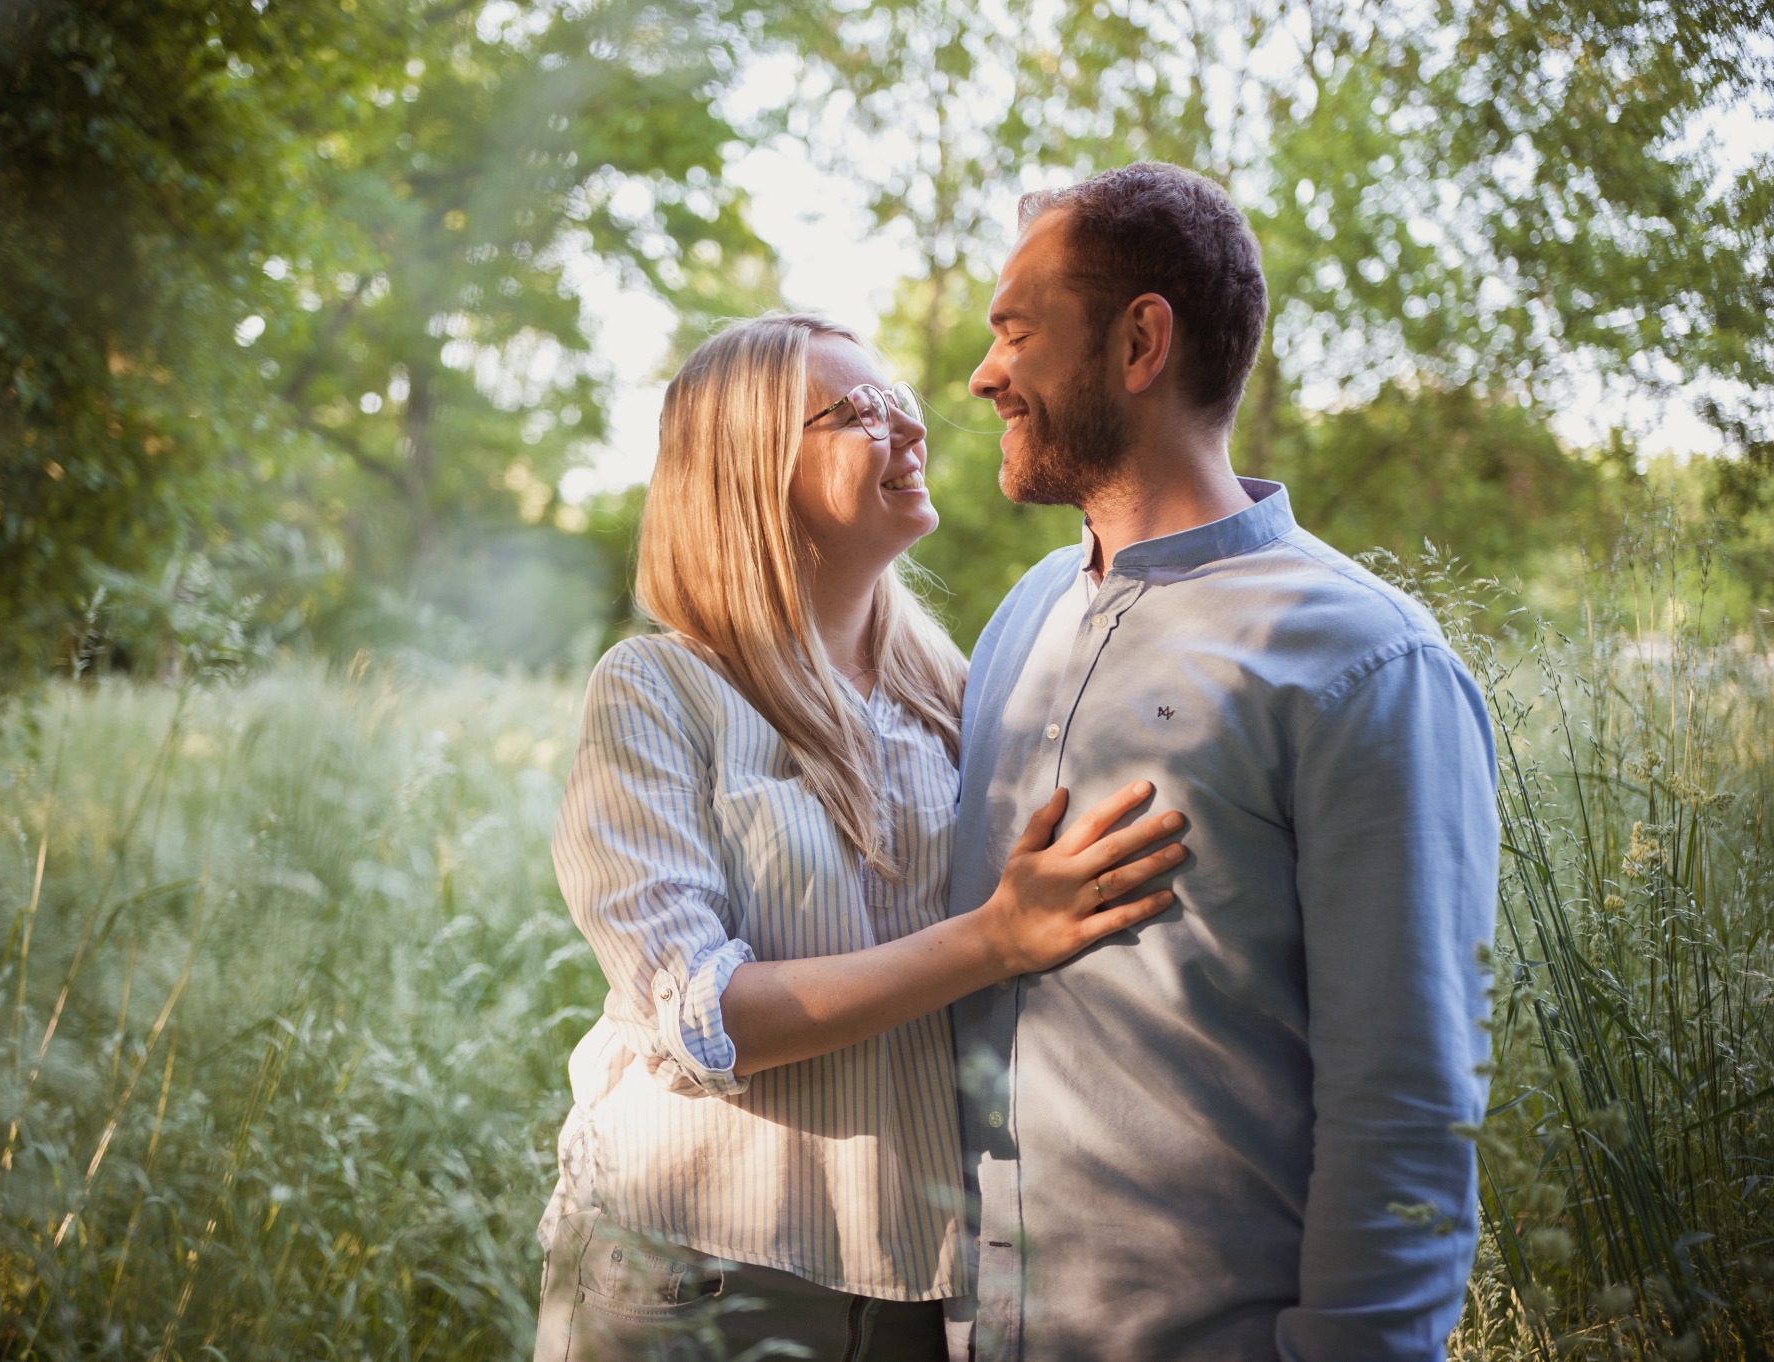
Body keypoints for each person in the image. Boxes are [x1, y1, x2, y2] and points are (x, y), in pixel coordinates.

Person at [533, 313, 1190, 1362]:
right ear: (749, 470)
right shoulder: (658, 692)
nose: (907, 430)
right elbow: (699, 1017)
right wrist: (995, 938)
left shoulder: (957, 695)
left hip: (921, 1284)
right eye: (854, 413)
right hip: (695, 1272)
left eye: (900, 405)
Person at [947, 161, 1499, 1361]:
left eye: (1016, 332)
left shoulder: (1362, 661)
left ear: (1140, 341)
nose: (984, 374)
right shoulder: (1020, 615)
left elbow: (1406, 1104)